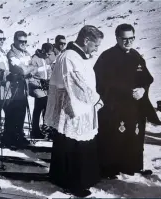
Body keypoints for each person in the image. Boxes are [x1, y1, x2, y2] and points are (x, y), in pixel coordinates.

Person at [94, 23, 161, 179]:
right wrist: (125, 91)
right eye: (124, 39)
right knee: (115, 137)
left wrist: (143, 89)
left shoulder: (135, 55)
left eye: (131, 38)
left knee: (134, 136)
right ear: (117, 38)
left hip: (135, 107)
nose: (128, 42)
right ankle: (111, 170)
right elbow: (101, 82)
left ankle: (132, 167)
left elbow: (147, 78)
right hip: (115, 107)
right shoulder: (107, 57)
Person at [45, 25, 104, 197]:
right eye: (95, 45)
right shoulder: (70, 57)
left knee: (72, 144)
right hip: (73, 109)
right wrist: (97, 100)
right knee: (73, 146)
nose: (96, 50)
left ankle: (68, 178)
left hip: (79, 108)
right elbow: (77, 86)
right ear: (86, 41)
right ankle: (74, 183)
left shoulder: (78, 55)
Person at [5, 31, 37, 148]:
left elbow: (34, 68)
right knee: (13, 114)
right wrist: (30, 68)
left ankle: (19, 134)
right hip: (14, 88)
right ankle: (10, 138)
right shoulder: (11, 54)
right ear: (14, 41)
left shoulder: (26, 53)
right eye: (21, 41)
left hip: (24, 87)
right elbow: (22, 70)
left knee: (21, 113)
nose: (23, 43)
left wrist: (30, 69)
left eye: (25, 41)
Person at [29, 43, 53, 138]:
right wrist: (39, 83)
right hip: (37, 88)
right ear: (43, 50)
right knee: (39, 108)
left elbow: (49, 71)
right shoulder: (34, 59)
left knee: (46, 107)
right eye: (48, 53)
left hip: (46, 88)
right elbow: (30, 77)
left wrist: (49, 81)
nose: (49, 56)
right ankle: (35, 130)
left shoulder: (46, 59)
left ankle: (45, 127)